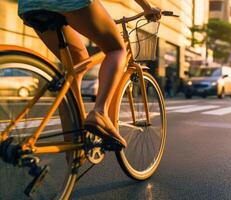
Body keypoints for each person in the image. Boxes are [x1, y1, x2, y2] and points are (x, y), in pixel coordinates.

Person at [18, 0, 161, 148]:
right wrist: (147, 7)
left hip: (29, 4)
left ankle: (73, 153)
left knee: (76, 64)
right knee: (116, 50)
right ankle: (100, 112)